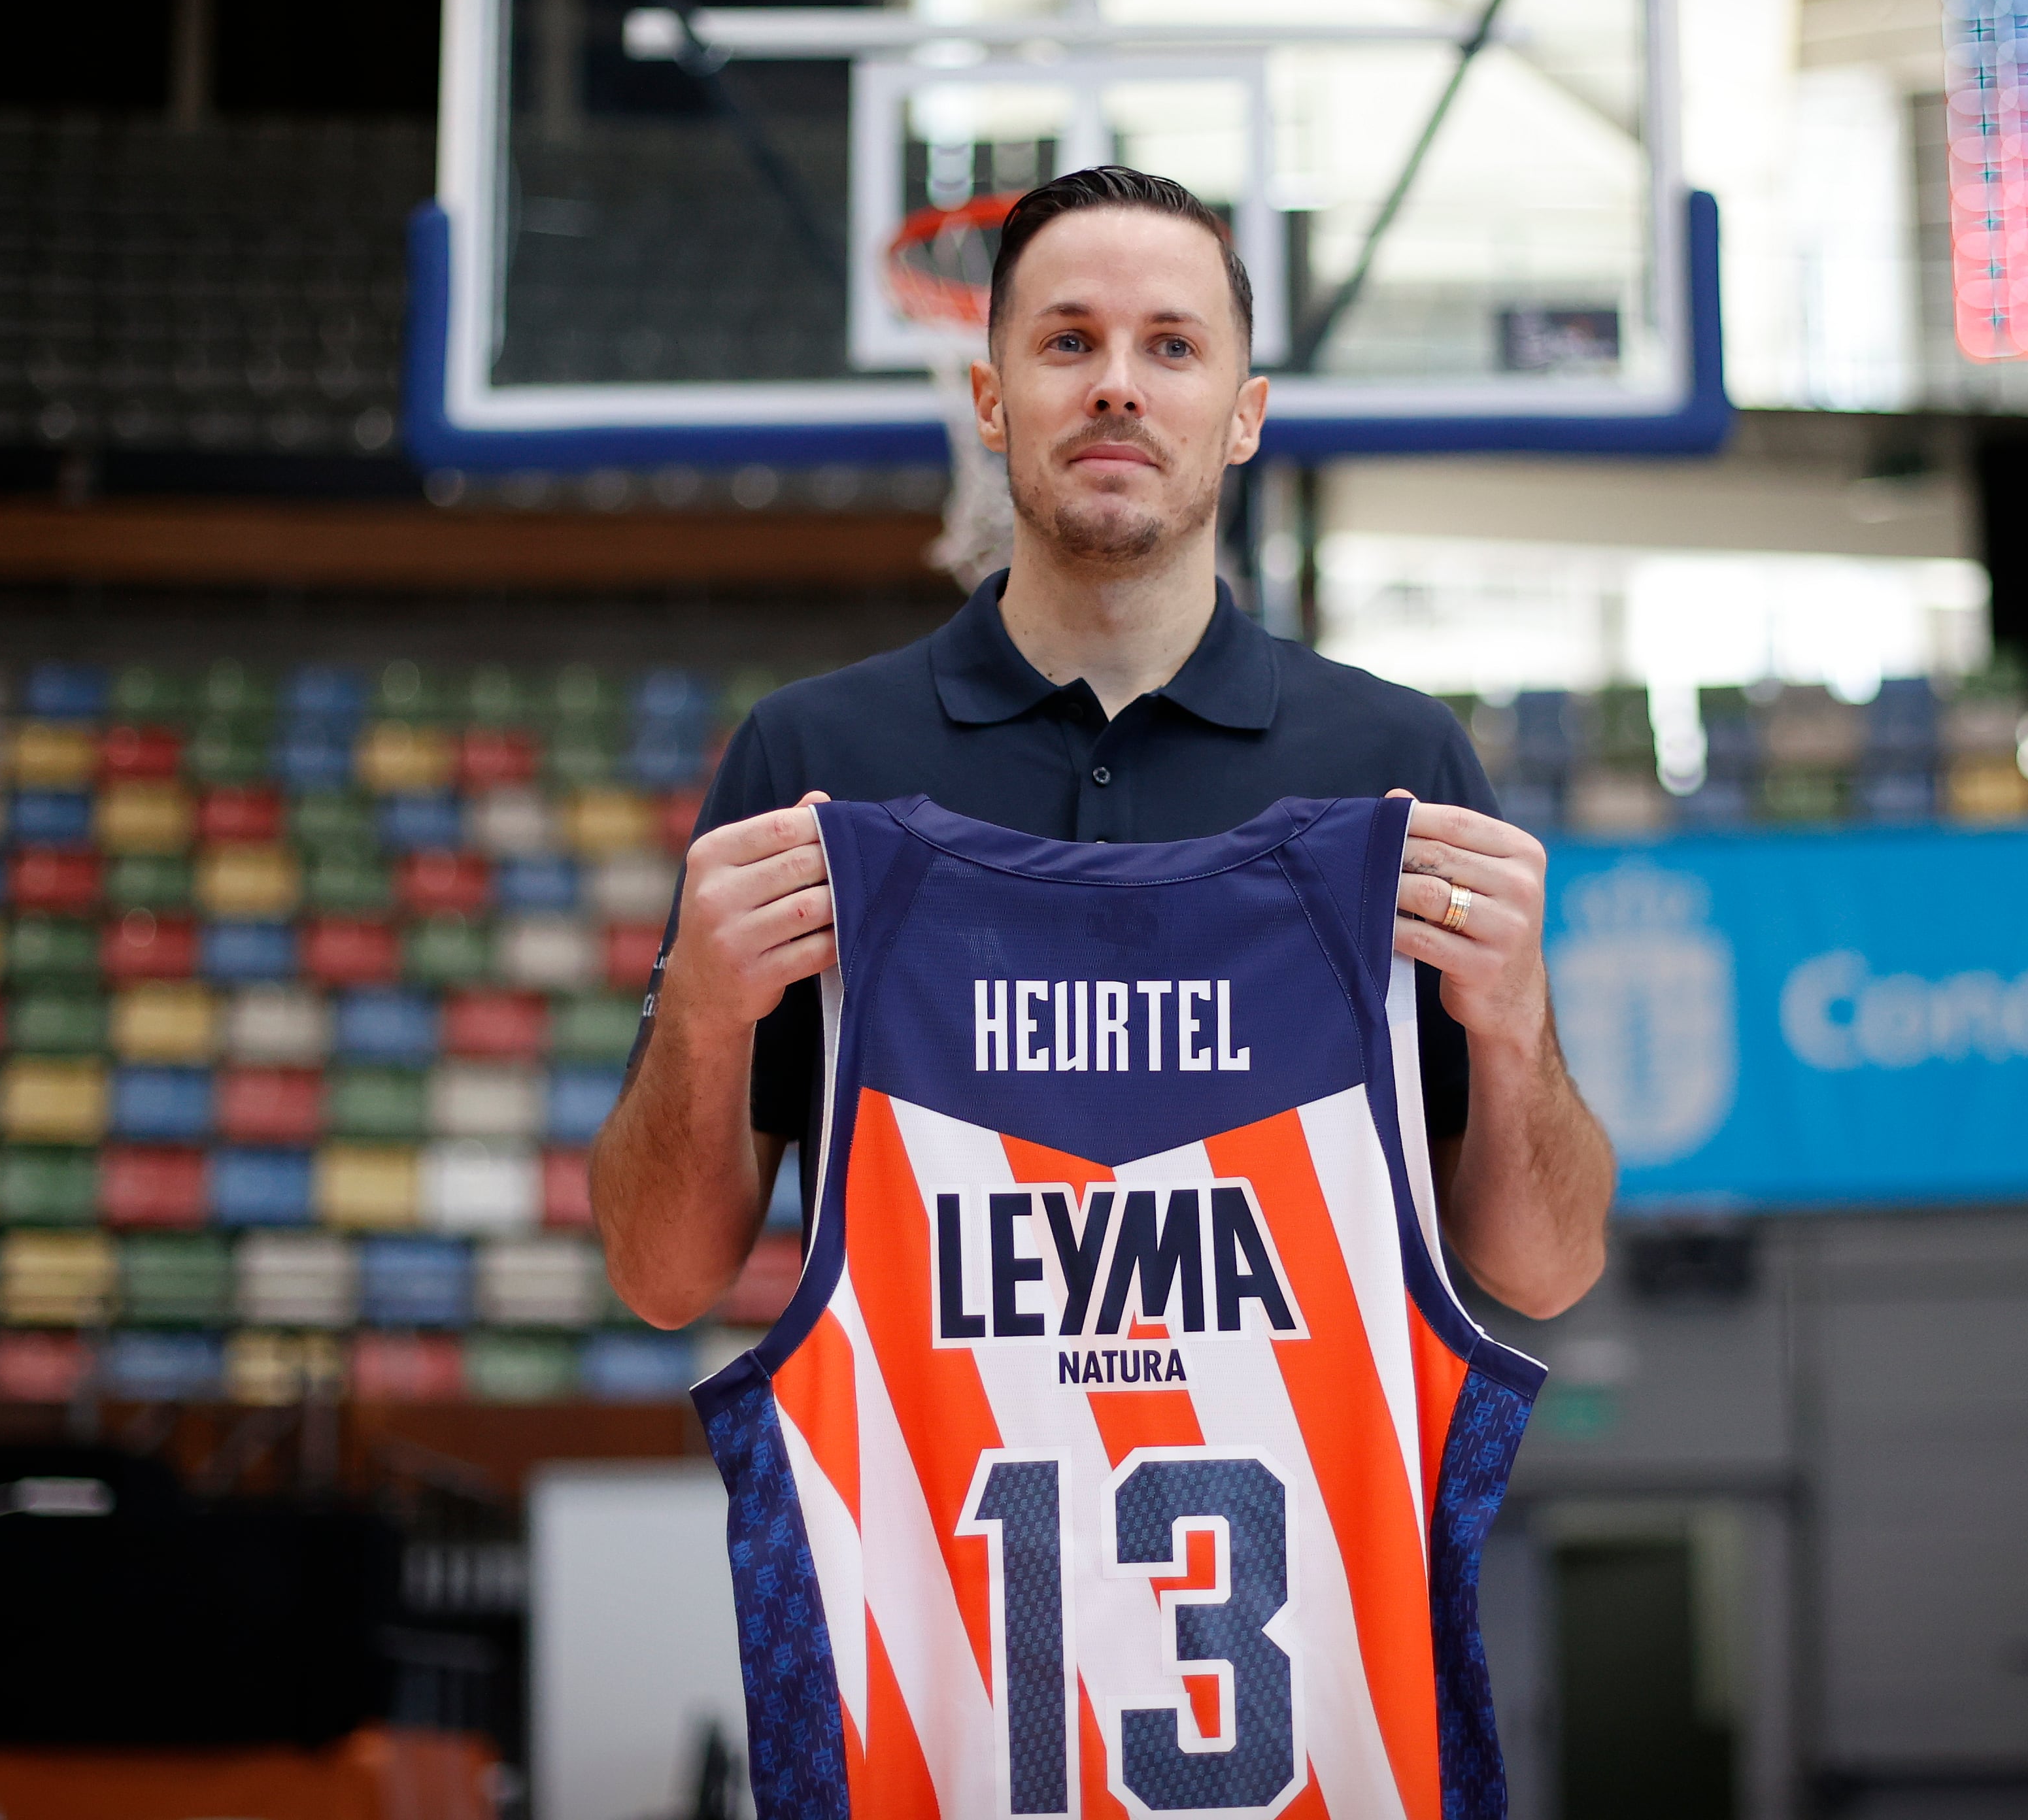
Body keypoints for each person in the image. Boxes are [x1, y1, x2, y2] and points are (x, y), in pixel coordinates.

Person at [592, 165, 1613, 1327]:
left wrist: (1516, 1023)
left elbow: (1546, 1271)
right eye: (1068, 342)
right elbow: (659, 1279)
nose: (1118, 387)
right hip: (925, 1516)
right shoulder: (811, 758)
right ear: (989, 398)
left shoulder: (1395, 763)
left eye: (1172, 348)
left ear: (1245, 415)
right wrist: (703, 1021)